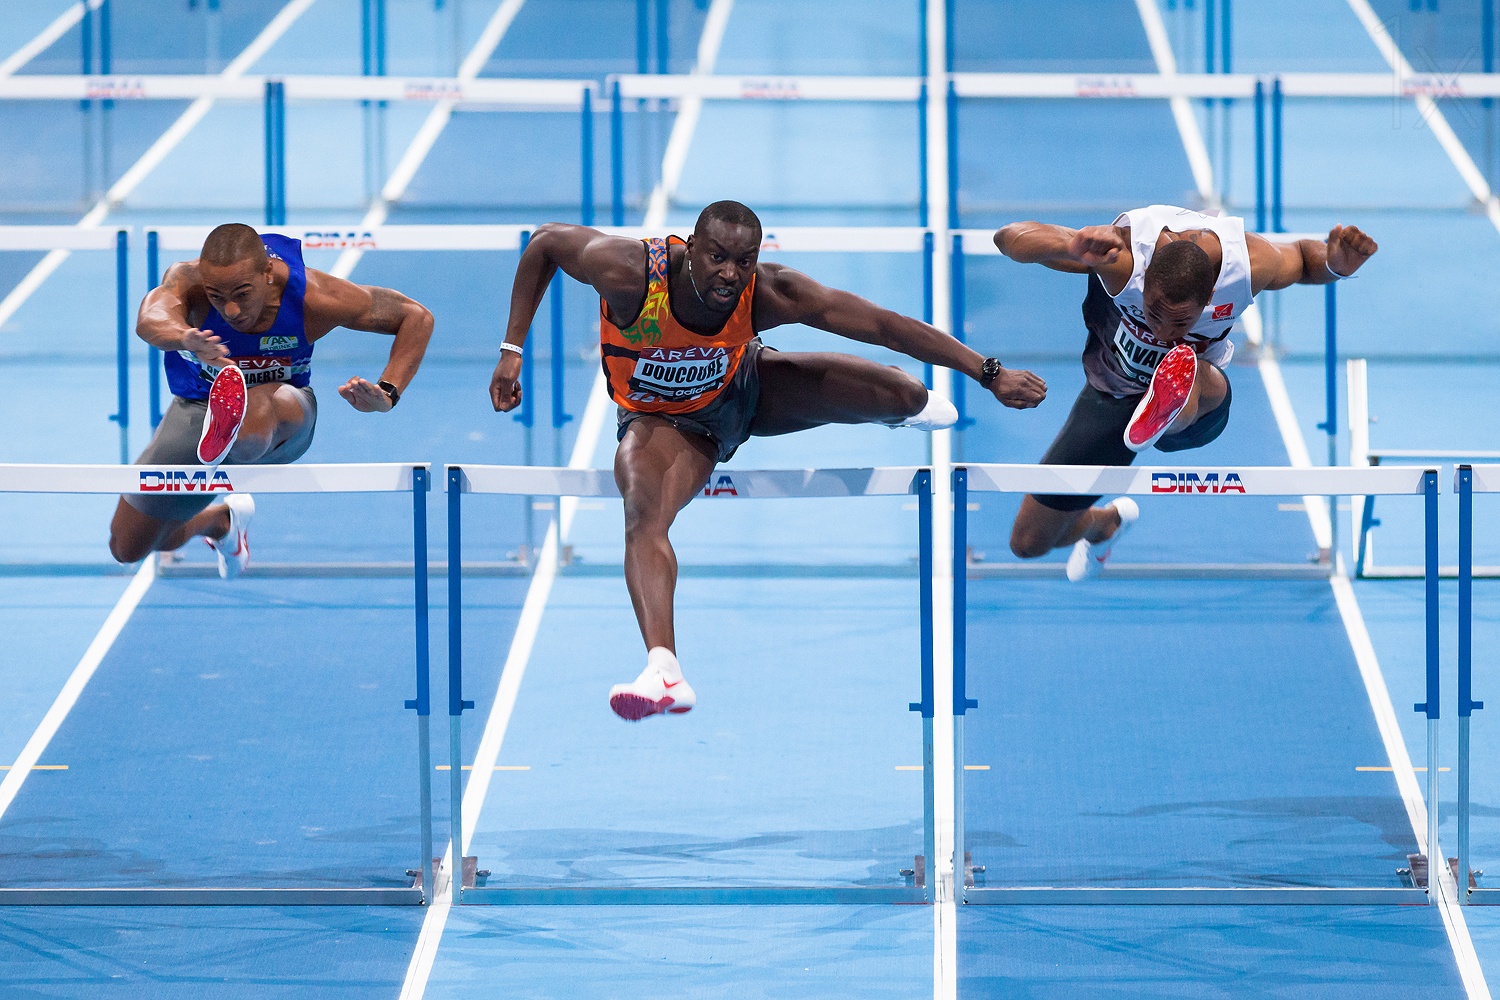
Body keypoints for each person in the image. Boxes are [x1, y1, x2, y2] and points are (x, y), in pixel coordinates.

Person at [490, 200, 1047, 721]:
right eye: (717, 257)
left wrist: (988, 373)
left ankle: (903, 407)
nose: (730, 275)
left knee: (902, 393)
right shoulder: (629, 273)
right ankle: (664, 669)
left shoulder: (768, 291)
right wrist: (511, 352)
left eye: (744, 261)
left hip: (748, 388)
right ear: (690, 247)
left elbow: (882, 324)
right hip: (669, 424)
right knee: (643, 510)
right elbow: (545, 243)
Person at [992, 204, 1377, 580]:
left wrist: (1336, 265)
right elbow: (1008, 238)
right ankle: (1104, 525)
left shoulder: (1249, 265)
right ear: (1143, 282)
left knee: (1191, 370)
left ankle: (1172, 406)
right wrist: (1071, 246)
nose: (1162, 332)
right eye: (1152, 313)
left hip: (1201, 404)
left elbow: (1304, 260)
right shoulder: (1120, 259)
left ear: (1210, 296)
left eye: (1180, 322)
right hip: (1113, 396)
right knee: (1028, 543)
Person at [108, 223, 434, 577]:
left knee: (253, 424)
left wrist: (388, 393)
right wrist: (185, 337)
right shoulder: (188, 282)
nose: (231, 310)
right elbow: (151, 317)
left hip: (285, 410)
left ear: (267, 273)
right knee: (129, 547)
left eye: (242, 294)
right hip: (199, 408)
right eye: (217, 296)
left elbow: (415, 316)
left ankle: (232, 429)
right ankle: (220, 522)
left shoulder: (314, 297)